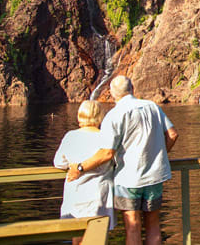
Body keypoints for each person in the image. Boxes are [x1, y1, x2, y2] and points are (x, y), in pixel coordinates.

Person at [67, 76, 178, 245]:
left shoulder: (114, 115)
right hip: (155, 176)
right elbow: (172, 134)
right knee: (153, 225)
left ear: (112, 94)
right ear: (132, 88)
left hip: (128, 179)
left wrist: (80, 168)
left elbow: (107, 153)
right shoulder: (152, 106)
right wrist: (159, 156)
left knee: (133, 226)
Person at [54, 100, 115, 245]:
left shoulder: (70, 136)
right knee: (97, 237)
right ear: (101, 116)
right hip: (99, 195)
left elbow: (58, 162)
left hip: (75, 193)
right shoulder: (106, 137)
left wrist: (74, 166)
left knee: (77, 236)